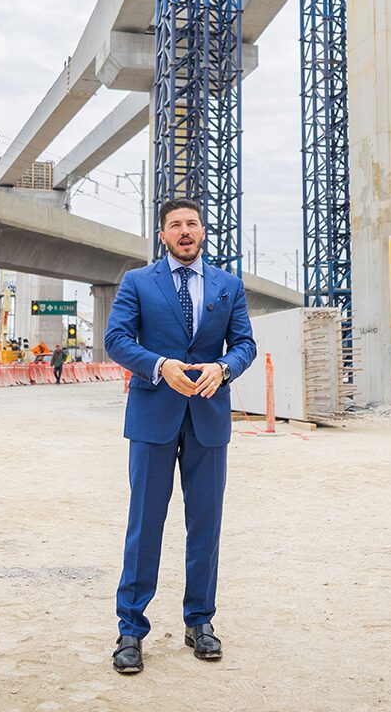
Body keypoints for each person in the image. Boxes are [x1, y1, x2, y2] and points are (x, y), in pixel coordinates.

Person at [103, 197, 257, 675]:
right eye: (175, 225)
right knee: (144, 525)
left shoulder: (228, 286)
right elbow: (116, 340)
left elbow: (246, 343)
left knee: (205, 526)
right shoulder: (137, 283)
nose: (185, 231)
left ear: (203, 232)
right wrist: (159, 365)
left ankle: (200, 622)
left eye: (192, 223)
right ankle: (130, 630)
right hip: (153, 417)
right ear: (163, 235)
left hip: (208, 419)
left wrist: (224, 367)